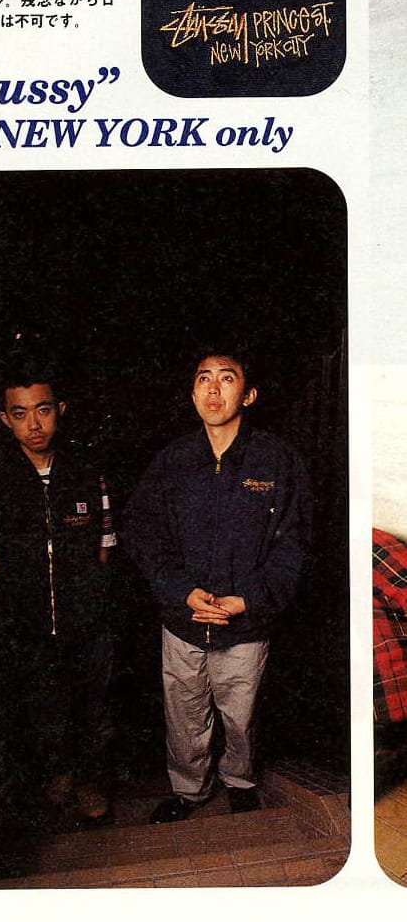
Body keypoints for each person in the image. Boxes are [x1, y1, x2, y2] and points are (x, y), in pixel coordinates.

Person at [123, 345, 311, 823]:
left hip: (245, 621)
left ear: (248, 395)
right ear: (192, 392)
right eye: (203, 378)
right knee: (184, 713)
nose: (213, 389)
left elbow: (294, 544)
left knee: (241, 714)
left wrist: (248, 599)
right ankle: (189, 790)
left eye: (226, 378)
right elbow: (144, 534)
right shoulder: (173, 461)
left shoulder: (277, 460)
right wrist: (180, 591)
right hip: (183, 619)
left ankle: (241, 781)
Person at [0, 359, 117, 825]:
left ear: (60, 410)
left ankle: (90, 780)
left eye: (43, 410)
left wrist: (87, 603)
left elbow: (104, 549)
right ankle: (59, 776)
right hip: (28, 624)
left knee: (93, 706)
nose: (33, 424)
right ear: (5, 419)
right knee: (42, 706)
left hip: (86, 622)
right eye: (20, 413)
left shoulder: (87, 473)